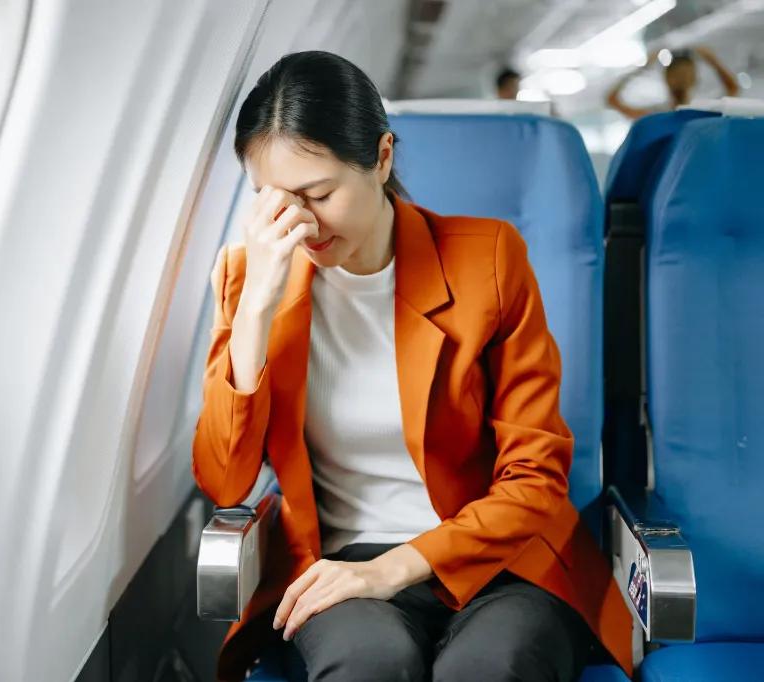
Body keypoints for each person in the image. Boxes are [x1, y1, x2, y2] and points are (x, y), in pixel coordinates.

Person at [192, 50, 633, 682]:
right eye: (276, 200)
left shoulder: (489, 261)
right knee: (368, 667)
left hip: (501, 559)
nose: (302, 225)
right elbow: (226, 482)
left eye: (319, 194)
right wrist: (256, 308)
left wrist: (398, 565)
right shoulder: (252, 277)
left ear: (382, 158)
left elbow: (535, 478)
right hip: (342, 560)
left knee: (488, 669)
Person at [607, 45, 740, 120]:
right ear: (667, 78)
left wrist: (712, 60)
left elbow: (733, 89)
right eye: (678, 74)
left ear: (694, 79)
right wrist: (642, 68)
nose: (683, 79)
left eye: (687, 74)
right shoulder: (656, 116)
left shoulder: (703, 112)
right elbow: (612, 100)